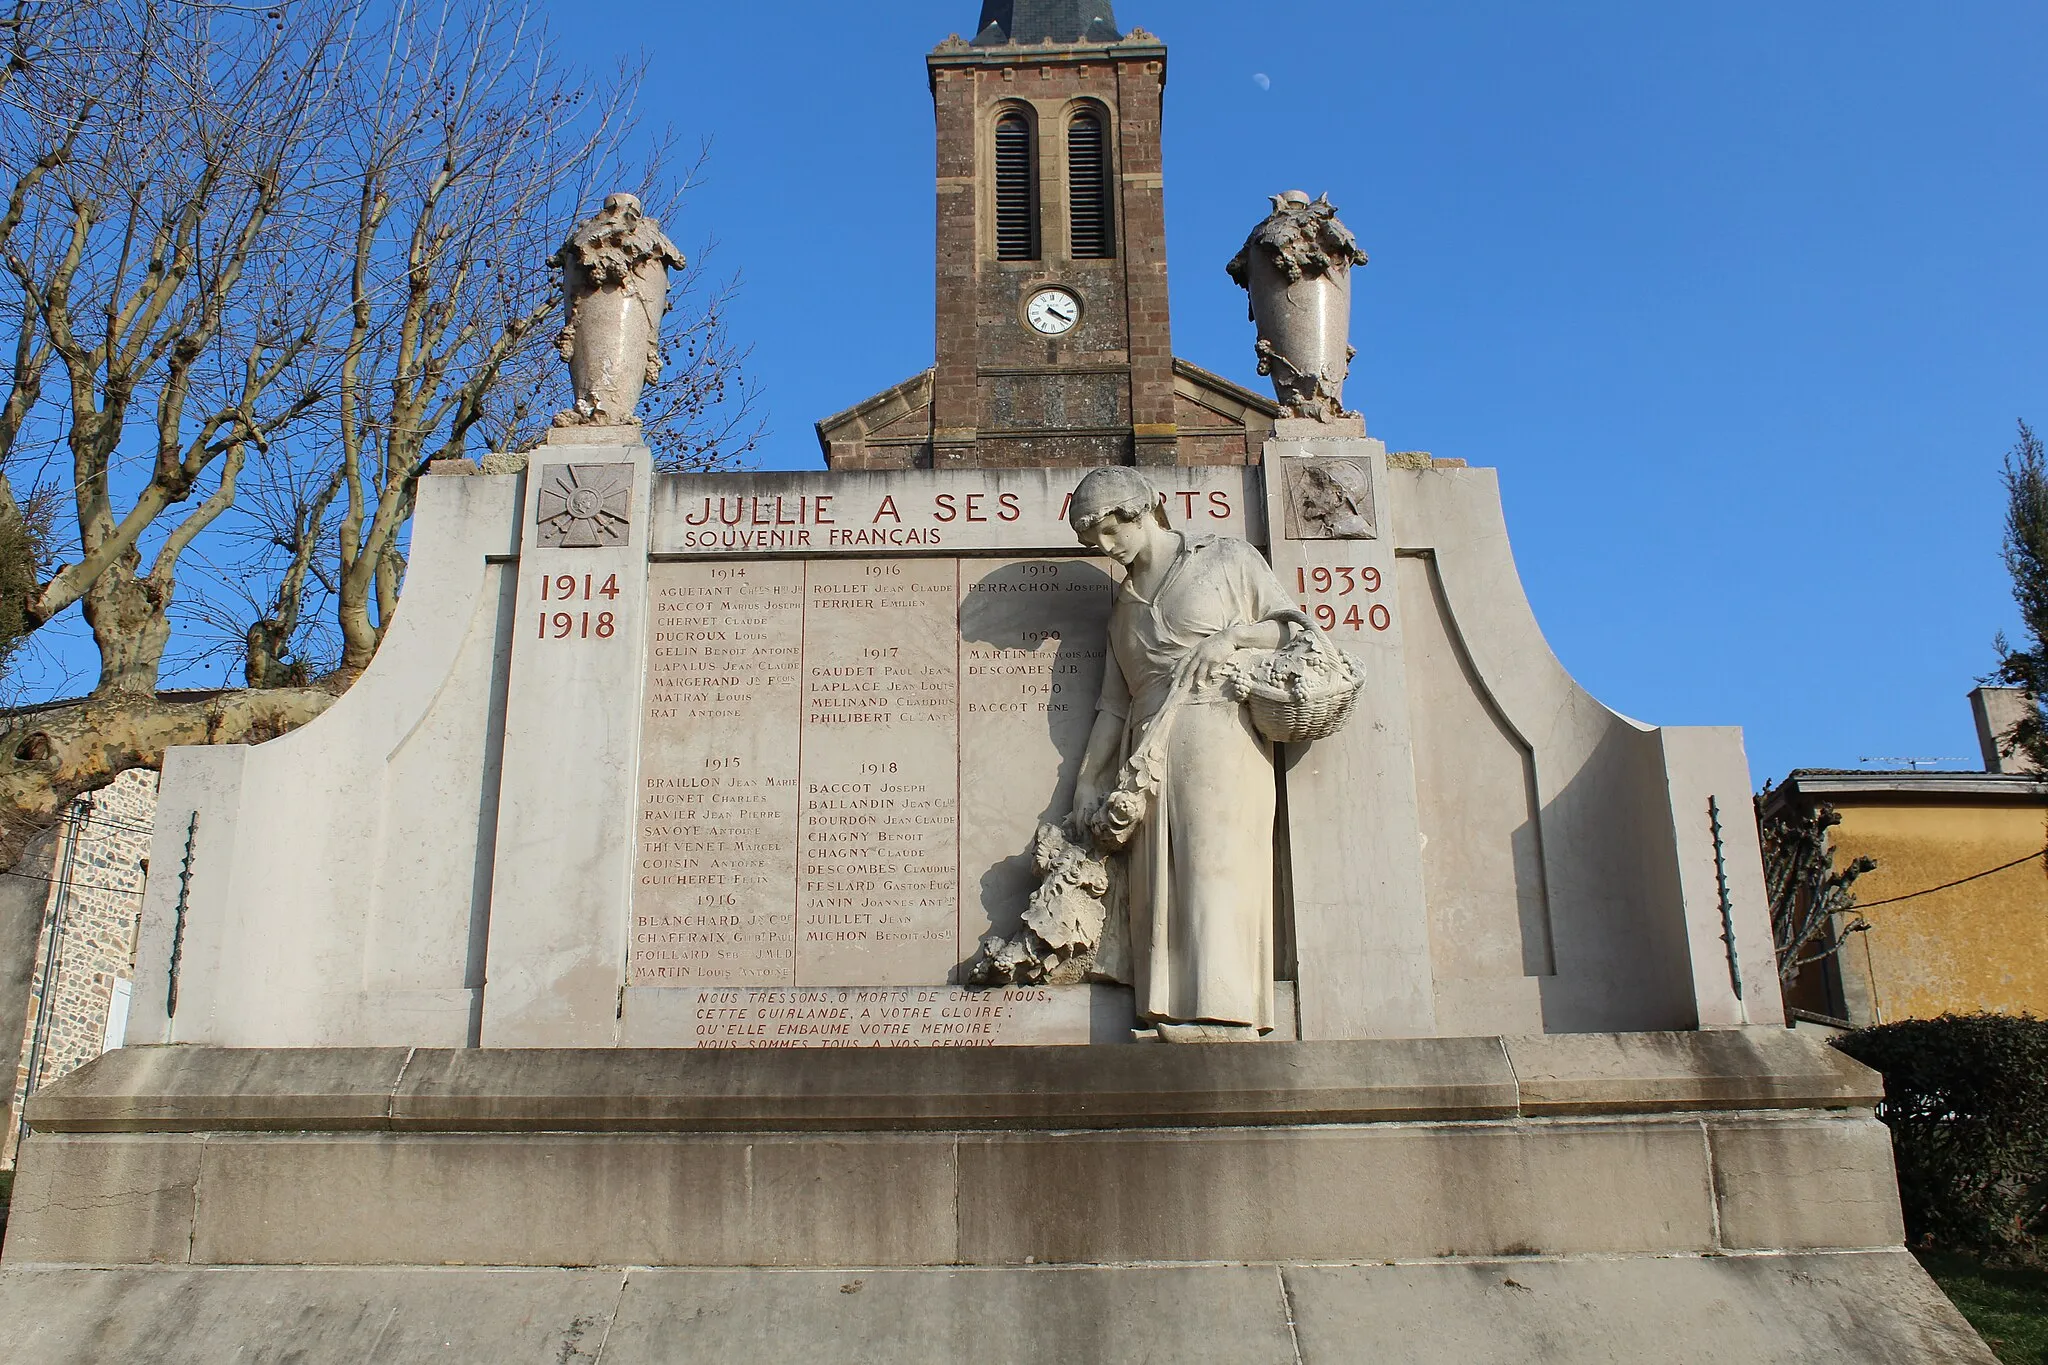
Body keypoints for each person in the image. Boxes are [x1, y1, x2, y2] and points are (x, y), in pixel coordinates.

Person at [1067, 468, 1299, 1042]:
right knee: (1157, 884)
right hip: (1147, 746)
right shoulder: (1123, 607)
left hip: (1217, 730)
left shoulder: (1225, 559)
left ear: (1137, 512)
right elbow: (1113, 706)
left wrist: (1232, 638)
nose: (1101, 548)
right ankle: (1170, 1010)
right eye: (1089, 539)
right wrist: (1087, 779)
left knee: (1213, 865)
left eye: (1105, 532)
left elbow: (1292, 631)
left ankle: (1225, 1013)